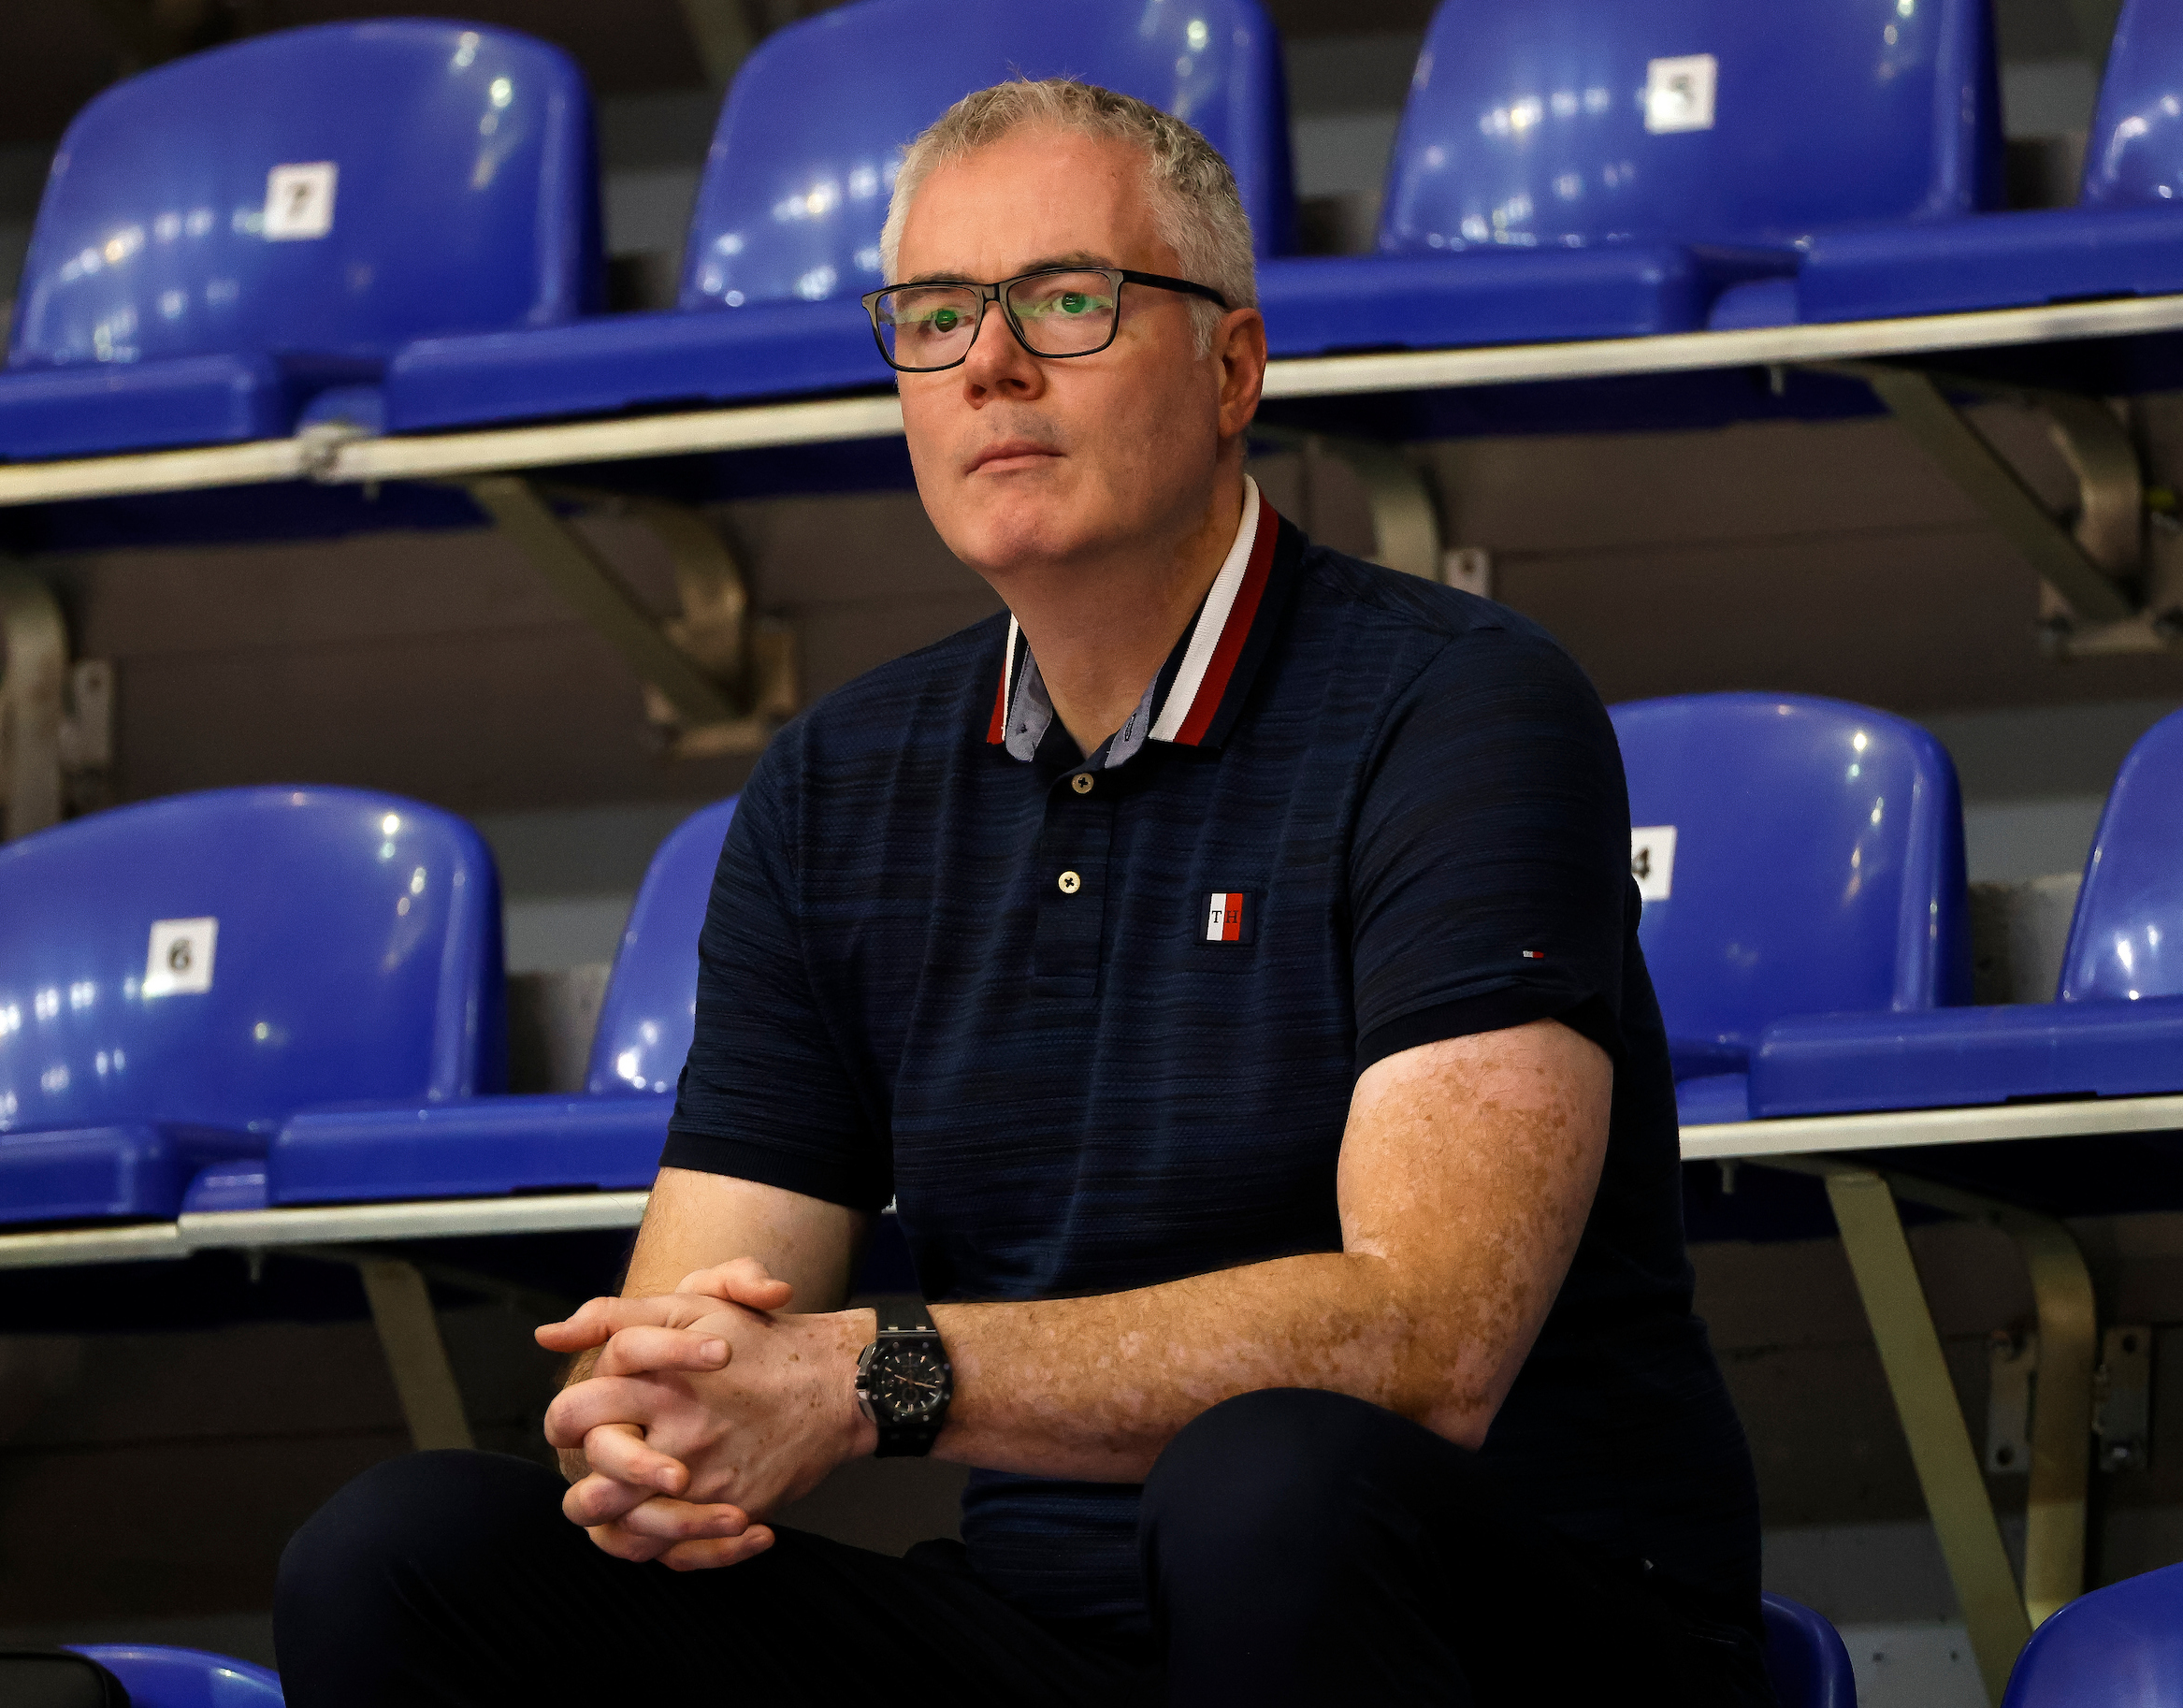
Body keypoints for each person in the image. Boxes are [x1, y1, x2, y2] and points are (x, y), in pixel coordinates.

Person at [276, 79, 1774, 1708]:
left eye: (1067, 300)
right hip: (1053, 1636)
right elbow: (708, 1313)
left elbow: (1426, 1347)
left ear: (1232, 368)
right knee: (403, 1558)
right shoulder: (836, 784)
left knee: (1265, 1482)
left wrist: (876, 1369)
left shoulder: (1465, 707)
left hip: (1512, 1629)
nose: (990, 361)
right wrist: (656, 1417)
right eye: (934, 316)